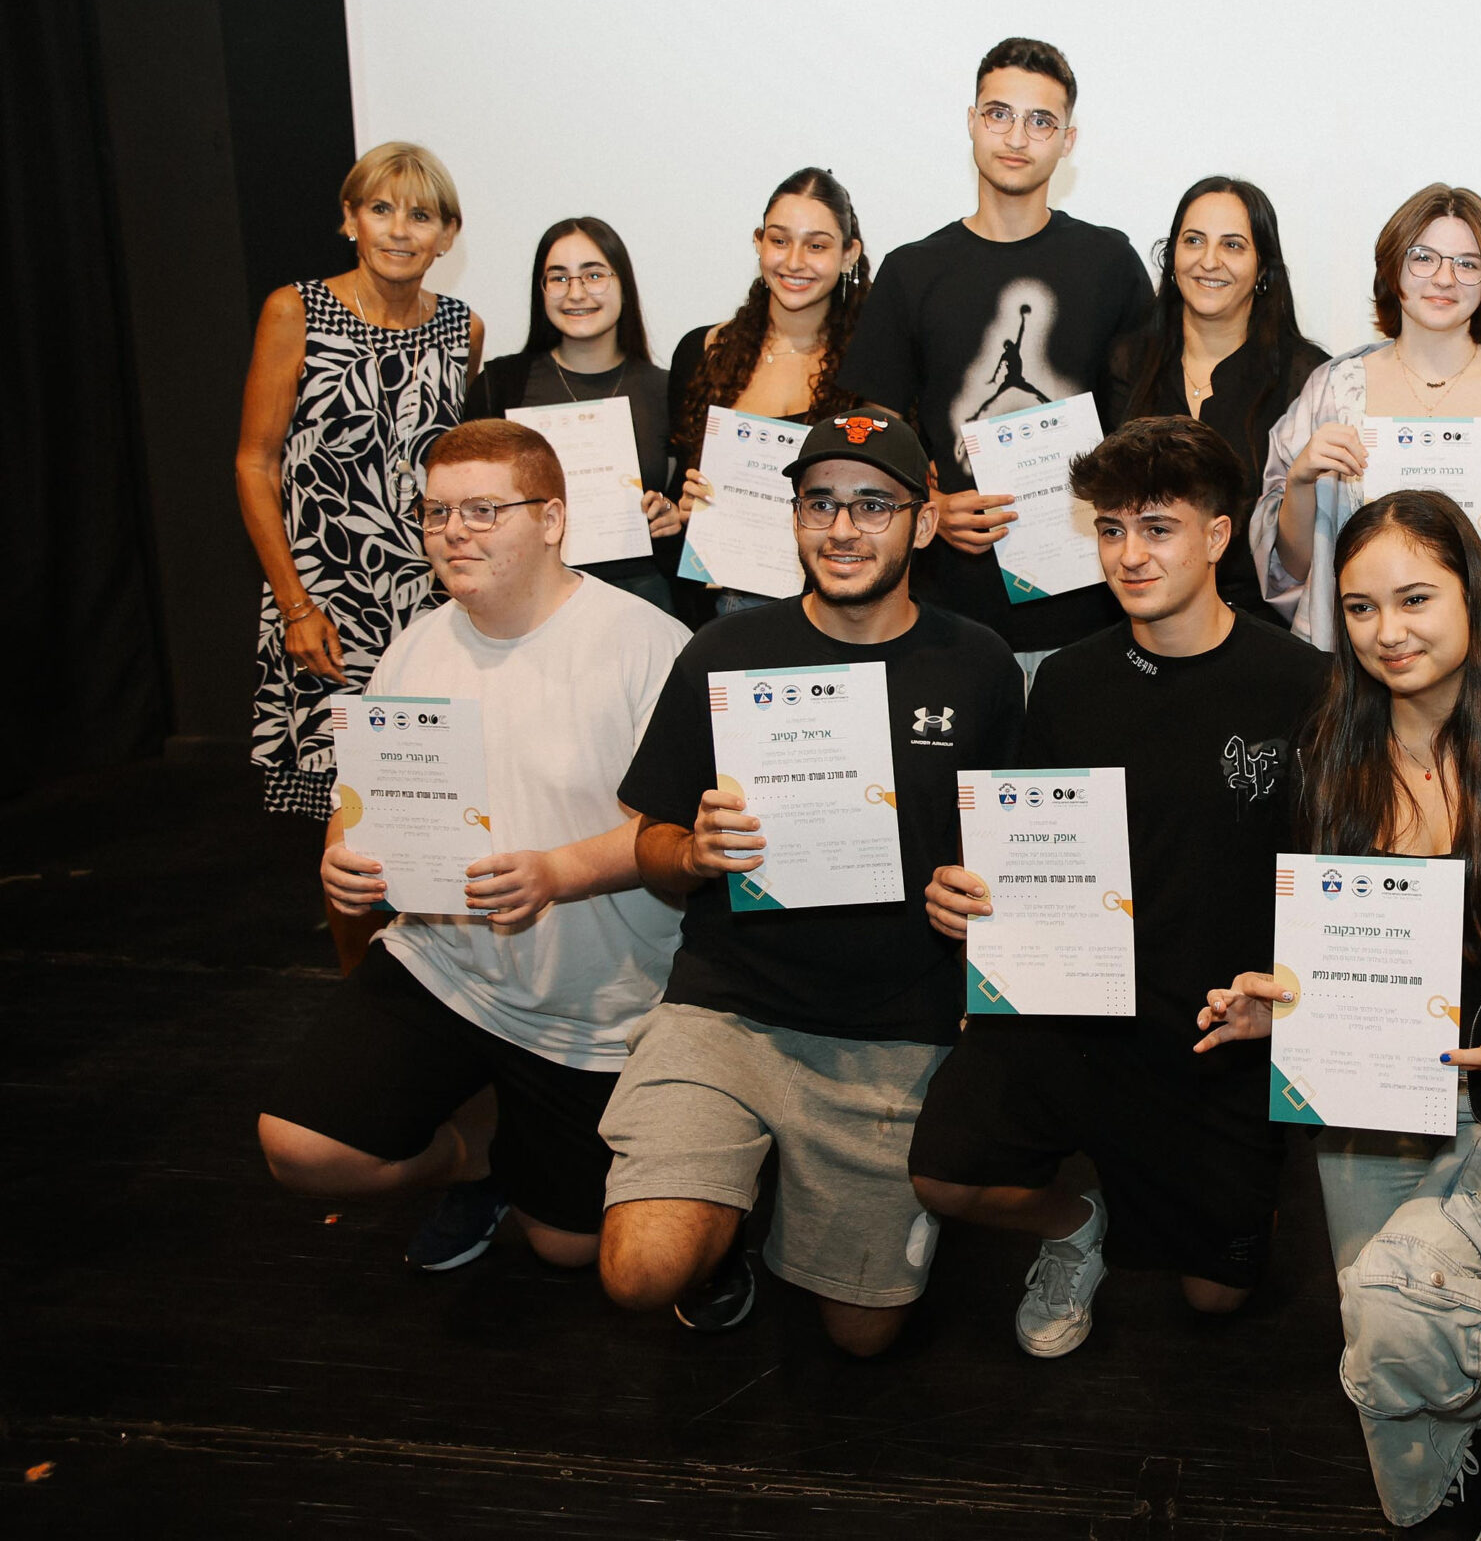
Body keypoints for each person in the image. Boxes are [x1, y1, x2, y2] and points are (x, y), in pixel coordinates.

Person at [1200, 489, 1481, 1537]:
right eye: (1359, 607)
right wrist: (1277, 1007)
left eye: (1415, 599)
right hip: (1373, 1097)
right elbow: (1321, 942)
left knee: (1406, 1311)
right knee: (1389, 1329)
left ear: (1473, 594)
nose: (1386, 631)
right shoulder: (1326, 749)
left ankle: (1449, 1456)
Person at [595, 407, 1022, 1355]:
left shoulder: (980, 663)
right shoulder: (723, 652)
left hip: (892, 1030)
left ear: (924, 520)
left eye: (873, 505)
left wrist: (981, 898)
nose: (842, 528)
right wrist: (693, 854)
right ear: (792, 517)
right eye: (819, 503)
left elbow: (1014, 853)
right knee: (642, 1270)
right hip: (729, 1009)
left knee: (863, 1336)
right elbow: (652, 842)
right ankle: (723, 1219)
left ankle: (780, 1186)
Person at [909, 416, 1329, 1353]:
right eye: (1110, 529)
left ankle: (1208, 1185)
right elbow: (1025, 850)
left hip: (1215, 1026)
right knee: (943, 1174)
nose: (1129, 554)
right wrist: (972, 902)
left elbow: (1332, 869)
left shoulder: (1303, 683)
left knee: (1216, 1296)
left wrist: (1289, 1004)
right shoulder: (1067, 680)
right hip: (1075, 1009)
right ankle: (1075, 1222)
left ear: (1217, 536)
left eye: (1157, 528)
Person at [257, 420, 690, 1273]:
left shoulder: (647, 645)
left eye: (484, 509)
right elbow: (363, 795)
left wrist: (558, 872)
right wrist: (342, 851)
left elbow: (682, 837)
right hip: (445, 967)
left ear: (553, 519)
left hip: (595, 1006)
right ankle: (476, 1157)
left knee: (571, 1247)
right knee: (299, 1149)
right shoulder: (416, 645)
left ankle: (517, 1141)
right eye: (437, 512)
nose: (454, 531)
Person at [235, 140, 485, 969]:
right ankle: (363, 996)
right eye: (381, 209)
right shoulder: (296, 310)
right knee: (355, 834)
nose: (400, 230)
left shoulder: (462, 328)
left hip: (431, 611)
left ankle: (433, 987)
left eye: (421, 214)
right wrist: (295, 605)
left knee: (430, 811)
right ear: (350, 219)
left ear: (447, 235)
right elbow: (255, 463)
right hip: (327, 608)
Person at [841, 37, 1156, 677]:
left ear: (1067, 140)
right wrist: (930, 505)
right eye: (998, 114)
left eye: (1040, 121)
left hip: (1091, 614)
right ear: (971, 122)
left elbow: (1146, 420)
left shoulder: (1109, 263)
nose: (1016, 136)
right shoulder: (911, 271)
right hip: (947, 616)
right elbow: (874, 435)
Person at [1253, 184, 1481, 667]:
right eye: (1423, 258)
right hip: (1358, 670)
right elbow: (1294, 570)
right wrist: (1300, 482)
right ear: (1392, 267)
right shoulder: (1335, 390)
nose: (1444, 278)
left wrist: (1463, 628)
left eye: (1467, 264)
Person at [1102, 176, 1328, 619]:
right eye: (1193, 241)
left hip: (1262, 627)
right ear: (1172, 256)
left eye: (1233, 245)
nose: (1209, 261)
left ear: (1263, 268)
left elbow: (1309, 545)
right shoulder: (1126, 362)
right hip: (1144, 619)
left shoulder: (1308, 378)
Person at [667, 167, 871, 621]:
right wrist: (682, 509)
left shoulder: (873, 367)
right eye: (779, 240)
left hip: (832, 615)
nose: (794, 261)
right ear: (759, 242)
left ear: (848, 254)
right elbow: (678, 482)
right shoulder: (701, 351)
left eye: (816, 246)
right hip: (711, 613)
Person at [464, 216, 682, 612]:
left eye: (594, 275)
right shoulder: (500, 385)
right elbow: (468, 497)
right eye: (559, 278)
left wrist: (672, 517)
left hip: (639, 602)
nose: (576, 293)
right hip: (526, 599)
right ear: (542, 289)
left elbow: (688, 502)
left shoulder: (668, 390)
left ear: (623, 285)